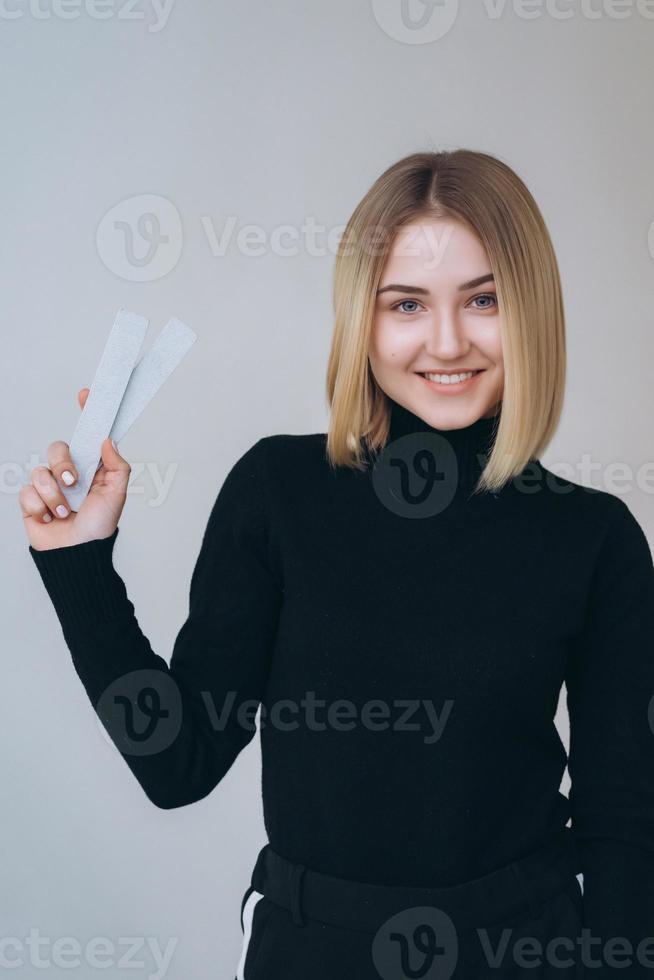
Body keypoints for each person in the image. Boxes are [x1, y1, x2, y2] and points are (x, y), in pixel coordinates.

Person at [21, 149, 654, 979]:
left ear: (530, 308)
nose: (447, 340)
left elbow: (624, 825)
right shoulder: (278, 493)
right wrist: (79, 565)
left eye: (484, 299)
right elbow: (177, 764)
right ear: (364, 317)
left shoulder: (596, 535)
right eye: (407, 304)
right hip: (310, 956)